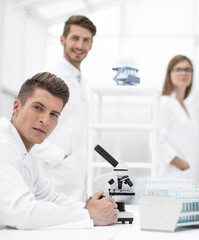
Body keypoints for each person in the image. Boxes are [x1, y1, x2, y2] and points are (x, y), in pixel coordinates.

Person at [0, 72, 118, 229]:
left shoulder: (26, 154)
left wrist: (86, 207)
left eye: (54, 114)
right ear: (17, 107)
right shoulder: (4, 146)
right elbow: (22, 212)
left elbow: (49, 197)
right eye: (38, 107)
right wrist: (89, 215)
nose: (45, 120)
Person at [32, 15, 96, 201]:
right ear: (62, 40)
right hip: (53, 173)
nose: (80, 46)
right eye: (75, 38)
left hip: (74, 175)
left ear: (91, 45)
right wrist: (59, 157)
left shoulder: (81, 82)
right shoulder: (50, 77)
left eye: (86, 40)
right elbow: (26, 125)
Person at [154, 55, 199, 187]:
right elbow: (157, 141)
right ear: (169, 74)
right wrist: (183, 166)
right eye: (178, 69)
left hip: (190, 178)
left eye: (187, 70)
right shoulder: (164, 103)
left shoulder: (188, 108)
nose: (183, 73)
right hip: (173, 176)